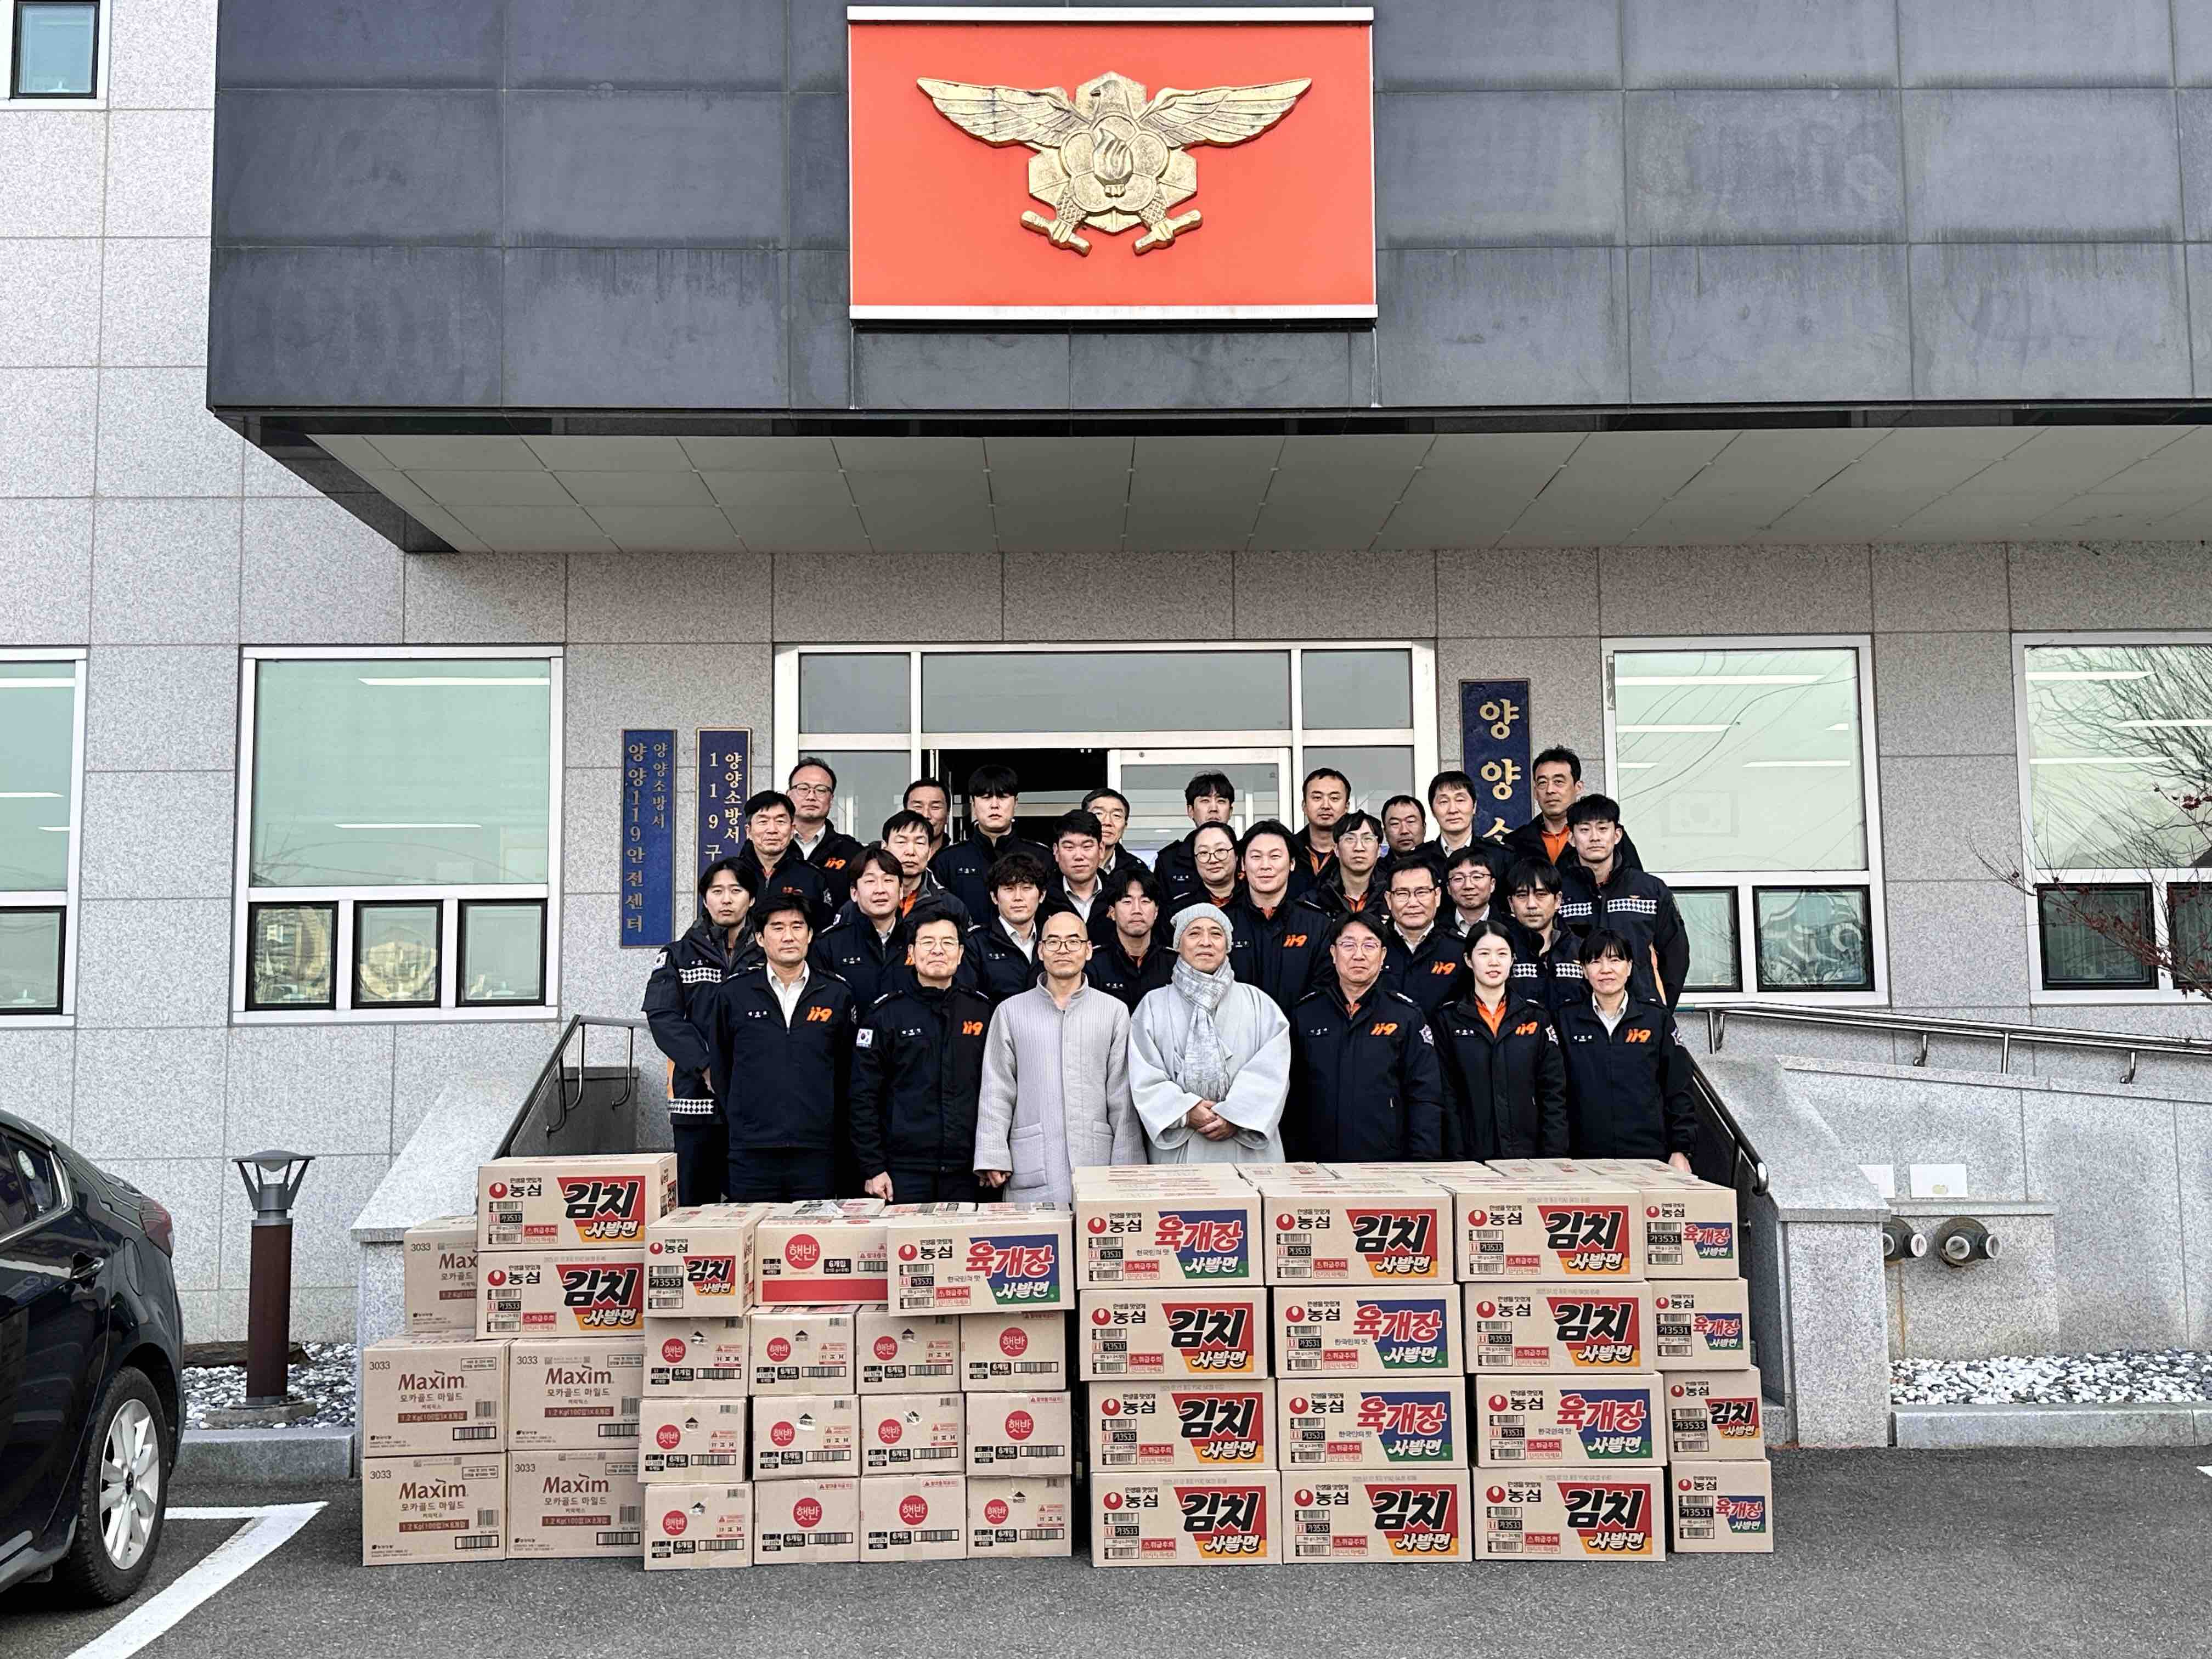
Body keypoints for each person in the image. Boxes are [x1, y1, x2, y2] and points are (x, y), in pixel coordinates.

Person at [974, 907, 1145, 1203]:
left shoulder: (1113, 1012)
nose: (1063, 949)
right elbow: (997, 1088)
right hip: (1032, 1159)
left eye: (1073, 941)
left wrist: (1127, 1166)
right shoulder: (1011, 1012)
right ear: (1041, 951)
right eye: (1053, 942)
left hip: (1096, 1160)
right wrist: (993, 1153)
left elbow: (1122, 1096)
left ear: (1088, 950)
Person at [706, 892, 855, 1202]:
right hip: (752, 1150)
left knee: (812, 1231)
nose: (789, 936)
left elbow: (846, 1070)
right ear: (760, 938)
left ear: (810, 935)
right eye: (777, 928)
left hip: (816, 1150)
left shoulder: (836, 994)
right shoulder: (734, 994)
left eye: (797, 927)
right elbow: (722, 1067)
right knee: (753, 1230)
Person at [848, 904, 996, 1205]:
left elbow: (998, 1091)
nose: (938, 950)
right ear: (912, 953)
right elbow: (863, 1096)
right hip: (903, 1171)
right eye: (928, 942)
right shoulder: (885, 1015)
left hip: (967, 1170)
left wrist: (992, 1155)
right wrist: (873, 1166)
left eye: (948, 943)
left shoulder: (982, 1011)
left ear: (961, 953)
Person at [1129, 904, 1292, 1166]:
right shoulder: (1153, 1006)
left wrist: (1235, 1115)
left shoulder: (1260, 1003)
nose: (1206, 942)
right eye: (1194, 933)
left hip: (1247, 1151)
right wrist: (1185, 1111)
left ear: (1227, 945)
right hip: (1181, 1150)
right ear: (1178, 945)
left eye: (1216, 934)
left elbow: (1273, 1071)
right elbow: (1144, 1074)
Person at [642, 855, 759, 1204]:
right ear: (705, 899)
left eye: (736, 891)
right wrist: (707, 1065)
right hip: (696, 1101)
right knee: (695, 1207)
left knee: (754, 1203)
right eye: (717, 891)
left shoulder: (768, 954)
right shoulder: (677, 955)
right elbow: (663, 1017)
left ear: (752, 898)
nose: (726, 899)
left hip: (755, 1102)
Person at [1284, 912, 1444, 1163]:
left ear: (1383, 955)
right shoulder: (1306, 1014)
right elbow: (1292, 1096)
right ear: (1333, 953)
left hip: (1387, 1163)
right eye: (1348, 945)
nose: (1358, 955)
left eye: (1369, 946)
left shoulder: (1406, 1015)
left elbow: (1424, 1095)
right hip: (1316, 1163)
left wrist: (1423, 1162)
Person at [1555, 929, 1696, 1167]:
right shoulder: (1564, 1020)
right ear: (1584, 970)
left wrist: (1681, 1149)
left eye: (1615, 960)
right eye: (1595, 962)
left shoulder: (1656, 1020)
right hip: (1582, 1159)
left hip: (1650, 1156)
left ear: (1629, 967)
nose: (1606, 969)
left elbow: (1679, 1088)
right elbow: (1554, 1093)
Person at [1431, 922, 1568, 1160]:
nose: (1494, 962)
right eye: (1484, 954)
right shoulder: (1448, 1020)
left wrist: (1553, 1155)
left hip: (1529, 1153)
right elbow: (1447, 1096)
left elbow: (1553, 1092)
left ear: (1513, 960)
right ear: (1469, 960)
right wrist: (1456, 1157)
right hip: (1470, 1155)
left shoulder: (1536, 1018)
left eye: (1502, 954)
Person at [1558, 795, 1688, 1008]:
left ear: (1617, 835)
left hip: (1641, 1010)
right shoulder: (1557, 893)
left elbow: (1676, 955)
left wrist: (1660, 1010)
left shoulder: (1650, 890)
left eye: (1603, 829)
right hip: (1575, 1012)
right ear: (1571, 838)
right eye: (1585, 830)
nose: (1595, 837)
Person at [1223, 819, 1332, 1018]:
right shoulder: (1223, 924)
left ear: (1292, 863)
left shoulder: (1317, 925)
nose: (1266, 866)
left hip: (1299, 1034)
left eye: (1275, 856)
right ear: (1243, 864)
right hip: (1238, 1034)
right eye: (1256, 857)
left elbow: (1325, 991)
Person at [932, 763, 1050, 924]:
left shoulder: (1041, 857)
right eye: (986, 797)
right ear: (973, 803)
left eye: (1002, 797)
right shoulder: (948, 860)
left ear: (1015, 802)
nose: (995, 805)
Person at [1502, 747, 1644, 873]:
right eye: (1542, 783)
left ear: (1578, 787)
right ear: (1535, 792)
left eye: (1558, 782)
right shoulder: (1516, 842)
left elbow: (1636, 884)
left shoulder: (1608, 836)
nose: (1550, 790)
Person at [810, 845, 915, 1010]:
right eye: (870, 881)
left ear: (901, 890)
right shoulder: (828, 945)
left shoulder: (919, 939)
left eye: (888, 880)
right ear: (854, 892)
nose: (880, 890)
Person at [1379, 854, 1464, 1019]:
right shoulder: (1372, 946)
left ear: (1437, 896)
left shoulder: (1460, 949)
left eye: (1422, 892)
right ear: (1389, 900)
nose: (1413, 903)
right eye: (1402, 894)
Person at [1503, 856, 1588, 1017]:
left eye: (1541, 894)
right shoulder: (1500, 952)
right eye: (1522, 895)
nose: (1531, 905)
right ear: (1511, 903)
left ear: (1558, 900)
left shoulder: (1582, 950)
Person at [735, 789, 831, 927]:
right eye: (763, 821)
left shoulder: (812, 877)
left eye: (780, 821)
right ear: (748, 831)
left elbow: (824, 930)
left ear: (792, 830)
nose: (772, 830)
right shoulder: (731, 874)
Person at [967, 850, 1051, 1003]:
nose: (1018, 898)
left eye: (1026, 888)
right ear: (994, 897)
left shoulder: (1055, 940)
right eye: (1009, 889)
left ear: (1042, 895)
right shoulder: (975, 944)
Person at [1087, 866, 1175, 1011]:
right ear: (1112, 912)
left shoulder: (1173, 963)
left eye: (1145, 901)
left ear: (1156, 912)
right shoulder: (1093, 964)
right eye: (1127, 902)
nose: (1137, 910)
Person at [788, 756, 865, 911]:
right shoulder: (770, 847)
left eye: (821, 790)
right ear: (788, 795)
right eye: (803, 788)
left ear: (831, 799)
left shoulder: (852, 852)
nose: (811, 796)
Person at [1152, 771, 1237, 902]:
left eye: (1221, 801)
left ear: (1230, 811)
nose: (1213, 808)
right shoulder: (1169, 860)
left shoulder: (1246, 855)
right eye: (1205, 801)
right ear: (1190, 811)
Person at [879, 809, 968, 925]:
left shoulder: (950, 906)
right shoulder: (868, 898)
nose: (910, 852)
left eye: (920, 843)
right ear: (885, 848)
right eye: (901, 842)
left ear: (930, 851)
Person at [1289, 766, 1350, 898]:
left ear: (1346, 807)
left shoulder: (1357, 852)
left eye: (1334, 798)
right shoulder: (1288, 850)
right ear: (1304, 806)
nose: (1326, 806)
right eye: (1317, 798)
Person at [1313, 809, 1386, 917]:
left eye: (1367, 839)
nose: (1359, 848)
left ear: (1379, 850)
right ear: (1336, 849)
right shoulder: (1313, 901)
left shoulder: (1393, 896)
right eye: (1350, 839)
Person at [1045, 809, 1109, 930]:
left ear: (1101, 850)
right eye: (1069, 847)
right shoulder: (1041, 899)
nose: (1079, 856)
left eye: (1087, 846)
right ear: (1056, 851)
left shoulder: (1118, 895)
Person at [1171, 821, 1243, 916]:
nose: (1213, 860)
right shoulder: (1180, 909)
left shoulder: (1255, 901)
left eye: (1220, 850)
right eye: (1204, 853)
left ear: (1236, 855)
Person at [1082, 787, 1151, 884]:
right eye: (1099, 814)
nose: (1107, 822)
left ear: (1125, 826)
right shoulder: (1063, 864)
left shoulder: (1138, 870)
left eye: (1117, 815)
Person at [1419, 769, 1481, 863]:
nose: (1453, 810)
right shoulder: (1419, 859)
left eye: (1460, 800)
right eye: (1444, 802)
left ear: (1474, 807)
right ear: (1432, 811)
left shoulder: (1498, 856)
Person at [1445, 843, 1505, 933]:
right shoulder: (1436, 933)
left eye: (1477, 877)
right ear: (1449, 888)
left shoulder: (1514, 931)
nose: (1468, 886)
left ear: (1492, 884)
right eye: (1458, 879)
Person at [904, 776, 952, 862]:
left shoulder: (959, 860)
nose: (926, 815)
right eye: (918, 807)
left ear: (947, 815)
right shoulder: (890, 860)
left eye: (935, 807)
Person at [1380, 794, 1429, 864]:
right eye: (1395, 823)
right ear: (1385, 832)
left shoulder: (1441, 865)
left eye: (1411, 821)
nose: (1404, 831)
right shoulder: (1375, 869)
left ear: (1424, 828)